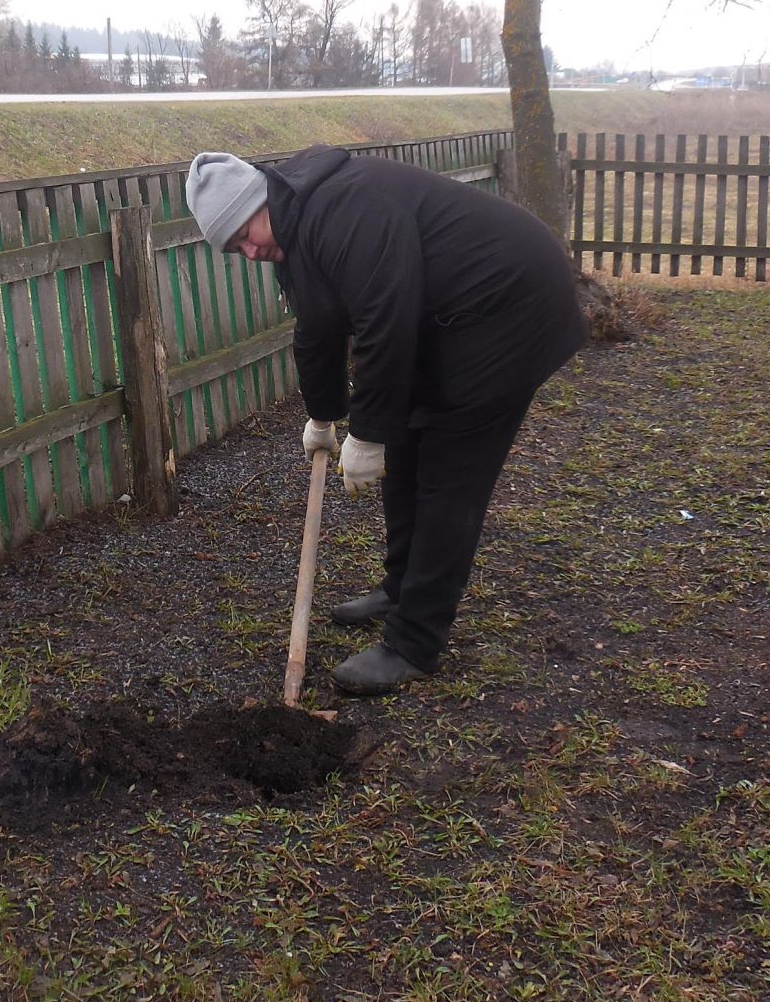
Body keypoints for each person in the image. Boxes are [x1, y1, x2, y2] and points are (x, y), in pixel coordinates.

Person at [186, 145, 585, 695]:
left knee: (449, 474)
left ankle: (415, 642)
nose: (250, 252)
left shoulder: (346, 208)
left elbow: (385, 322)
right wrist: (323, 416)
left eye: (245, 234)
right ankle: (400, 587)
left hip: (511, 305)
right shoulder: (295, 226)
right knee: (407, 446)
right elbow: (319, 325)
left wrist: (368, 432)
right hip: (448, 314)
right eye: (235, 249)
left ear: (260, 199)